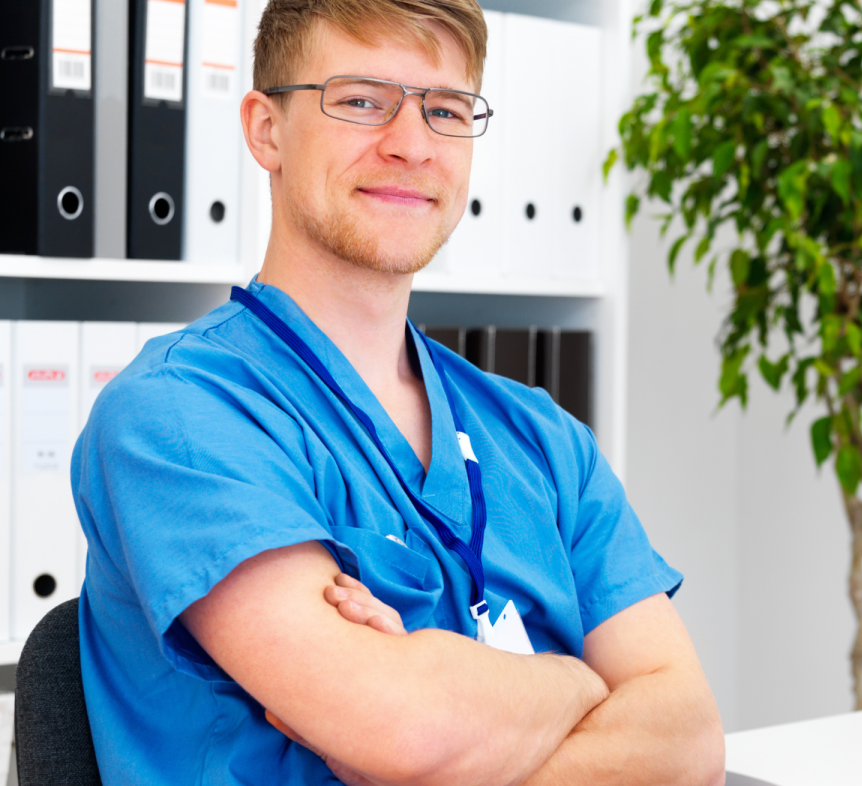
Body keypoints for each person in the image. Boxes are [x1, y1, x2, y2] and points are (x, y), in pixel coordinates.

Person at [70, 0, 725, 783]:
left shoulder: (544, 440)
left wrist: (451, 713)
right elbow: (407, 731)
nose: (412, 145)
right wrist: (575, 680)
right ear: (265, 129)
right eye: (360, 101)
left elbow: (688, 739)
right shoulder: (178, 416)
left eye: (445, 109)